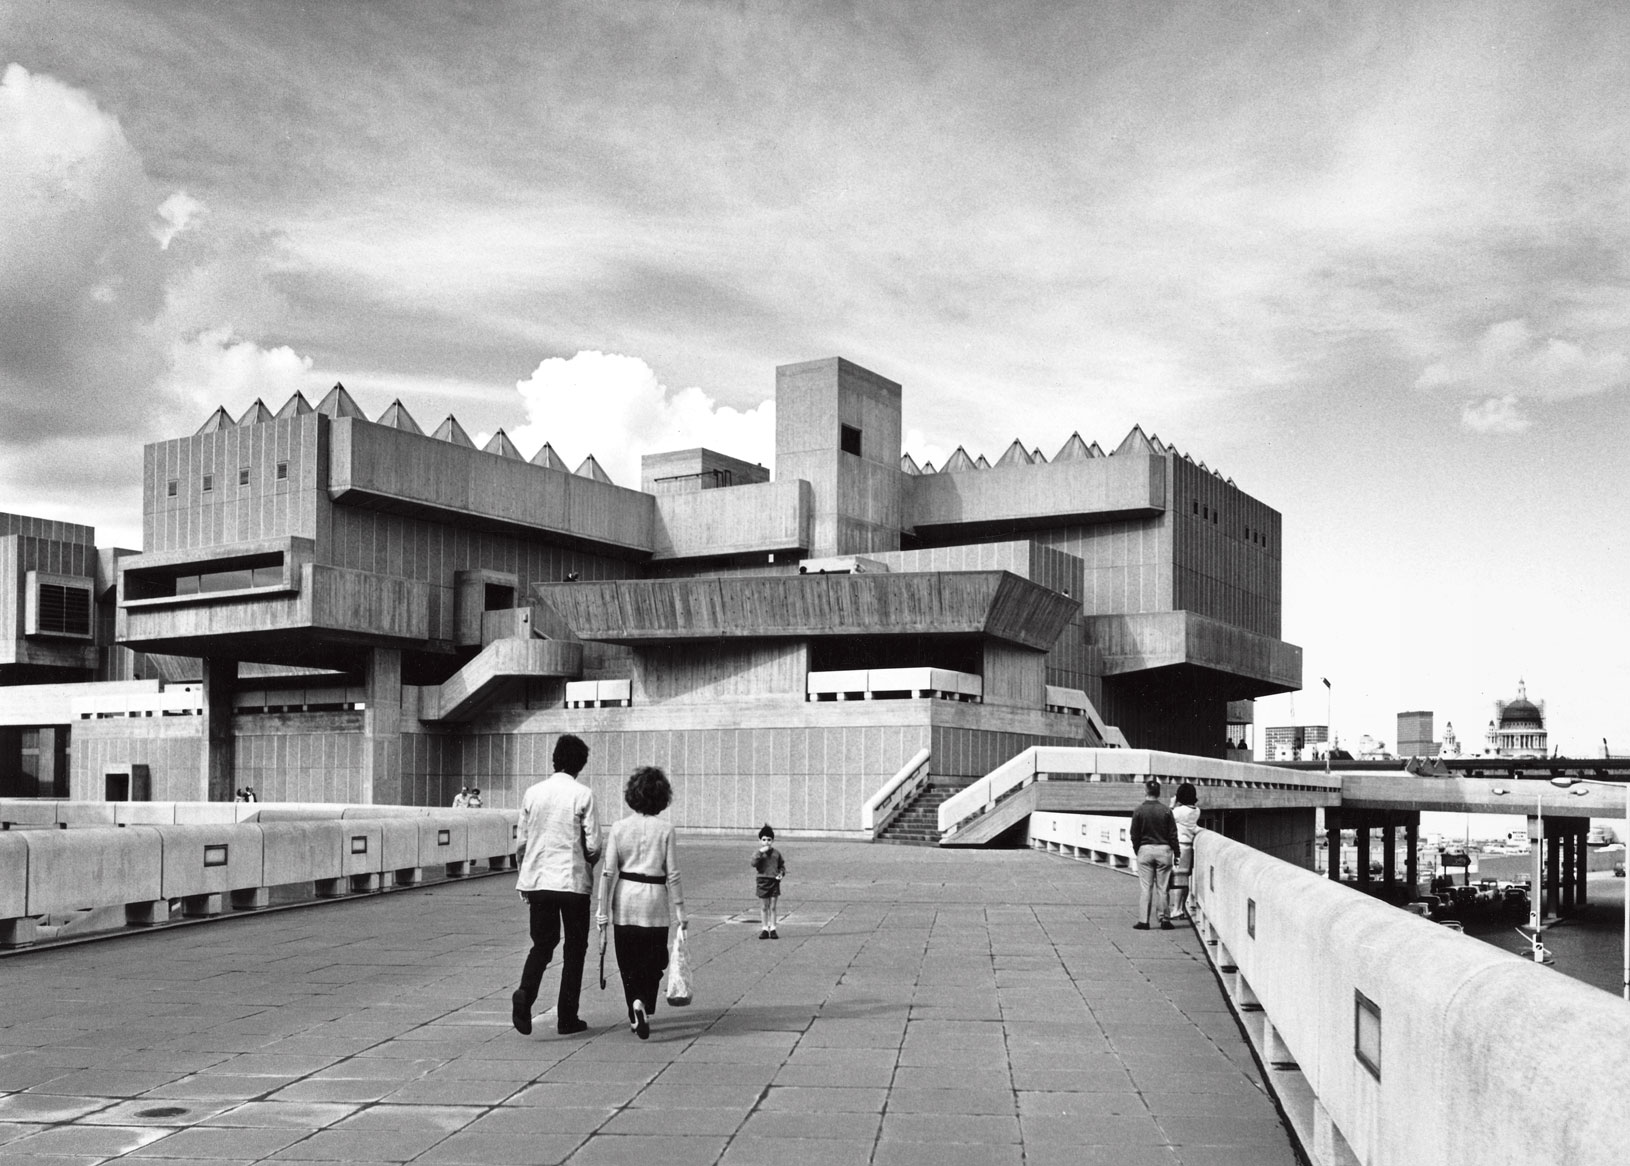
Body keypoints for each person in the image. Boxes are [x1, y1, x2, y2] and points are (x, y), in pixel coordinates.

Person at [513, 734, 601, 1037]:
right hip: (573, 882)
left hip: (539, 881)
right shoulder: (583, 794)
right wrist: (588, 860)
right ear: (580, 764)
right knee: (575, 949)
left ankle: (525, 993)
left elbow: (522, 842)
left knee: (543, 944)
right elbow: (594, 845)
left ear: (555, 759)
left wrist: (525, 876)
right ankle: (567, 1017)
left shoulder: (533, 793)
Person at [596, 766, 687, 1040]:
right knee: (655, 957)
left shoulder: (619, 828)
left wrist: (602, 911)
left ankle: (634, 1003)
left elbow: (608, 872)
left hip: (624, 898)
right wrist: (681, 909)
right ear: (662, 797)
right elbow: (672, 873)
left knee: (628, 960)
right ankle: (644, 1001)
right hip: (655, 900)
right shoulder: (666, 829)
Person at [1130, 779, 1179, 931]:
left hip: (1145, 850)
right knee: (1163, 888)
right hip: (1164, 850)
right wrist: (1176, 853)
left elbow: (1134, 834)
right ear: (1159, 793)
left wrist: (1138, 849)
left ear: (1145, 791)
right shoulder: (1166, 810)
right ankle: (1164, 919)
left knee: (1146, 887)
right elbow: (1173, 835)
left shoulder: (1139, 810)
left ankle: (1144, 921)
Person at [1169, 782, 1201, 920]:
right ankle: (1181, 907)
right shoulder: (1196, 811)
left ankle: (1176, 909)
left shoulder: (1180, 811)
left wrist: (1172, 804)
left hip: (1179, 847)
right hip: (1188, 846)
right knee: (1185, 878)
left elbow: (1166, 817)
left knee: (1177, 878)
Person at [751, 823, 786, 939]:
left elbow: (782, 866)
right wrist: (760, 852)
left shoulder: (776, 853)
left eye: (769, 840)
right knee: (764, 906)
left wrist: (781, 873)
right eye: (764, 839)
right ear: (760, 840)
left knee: (773, 906)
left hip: (774, 881)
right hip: (762, 881)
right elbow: (753, 863)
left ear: (773, 840)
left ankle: (773, 928)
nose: (766, 842)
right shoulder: (758, 853)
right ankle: (764, 928)